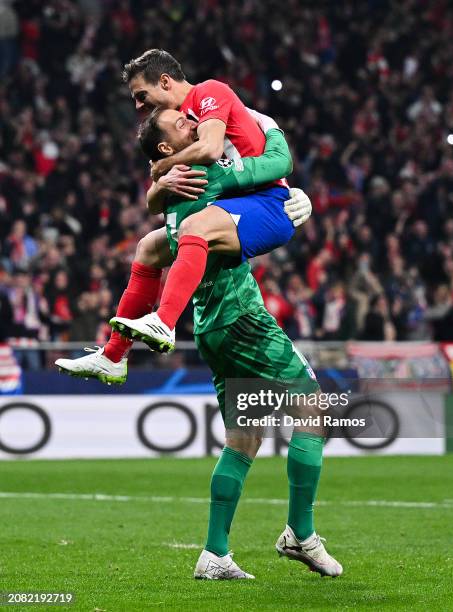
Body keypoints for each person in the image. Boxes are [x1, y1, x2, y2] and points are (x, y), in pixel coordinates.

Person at [134, 105, 343, 580]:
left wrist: (157, 178)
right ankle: (301, 534)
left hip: (211, 327)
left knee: (244, 438)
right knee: (313, 413)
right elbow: (268, 163)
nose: (194, 123)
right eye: (180, 125)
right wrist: (292, 190)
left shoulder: (175, 189)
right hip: (242, 318)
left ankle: (214, 553)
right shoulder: (199, 176)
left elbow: (226, 186)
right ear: (169, 148)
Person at [109, 48, 311, 354]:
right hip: (234, 213)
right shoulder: (174, 127)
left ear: (164, 82)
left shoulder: (205, 98)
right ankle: (114, 353)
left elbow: (217, 150)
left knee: (195, 226)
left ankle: (164, 322)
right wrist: (161, 180)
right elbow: (153, 203)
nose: (137, 105)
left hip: (266, 203)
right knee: (148, 247)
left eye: (140, 94)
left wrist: (163, 166)